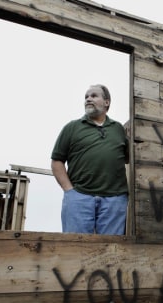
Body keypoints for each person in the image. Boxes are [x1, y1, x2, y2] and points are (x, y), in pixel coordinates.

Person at [51, 84, 129, 235]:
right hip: (79, 196)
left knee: (110, 251)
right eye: (86, 97)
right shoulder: (72, 127)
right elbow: (57, 161)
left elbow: (127, 158)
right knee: (74, 248)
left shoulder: (118, 129)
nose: (88, 99)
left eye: (94, 96)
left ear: (107, 102)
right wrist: (69, 191)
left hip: (114, 199)